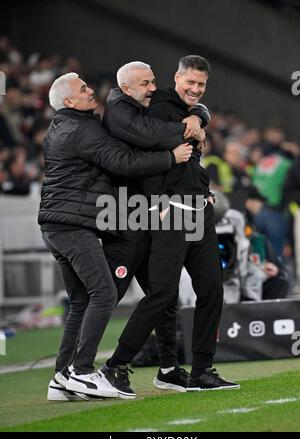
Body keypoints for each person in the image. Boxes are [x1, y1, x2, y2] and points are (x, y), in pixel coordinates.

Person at [38, 72, 192, 400]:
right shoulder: (83, 129)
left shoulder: (59, 128)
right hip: (72, 226)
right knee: (104, 294)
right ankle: (82, 373)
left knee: (80, 301)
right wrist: (170, 157)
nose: (90, 91)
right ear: (68, 101)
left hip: (54, 225)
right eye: (83, 89)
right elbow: (122, 162)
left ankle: (60, 377)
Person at [102, 56, 240, 397]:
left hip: (198, 211)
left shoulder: (185, 108)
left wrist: (198, 117)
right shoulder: (161, 105)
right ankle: (114, 366)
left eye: (201, 85)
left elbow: (188, 158)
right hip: (173, 213)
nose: (195, 89)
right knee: (162, 293)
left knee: (211, 289)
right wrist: (158, 201)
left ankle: (202, 371)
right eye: (189, 82)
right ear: (176, 78)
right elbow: (146, 151)